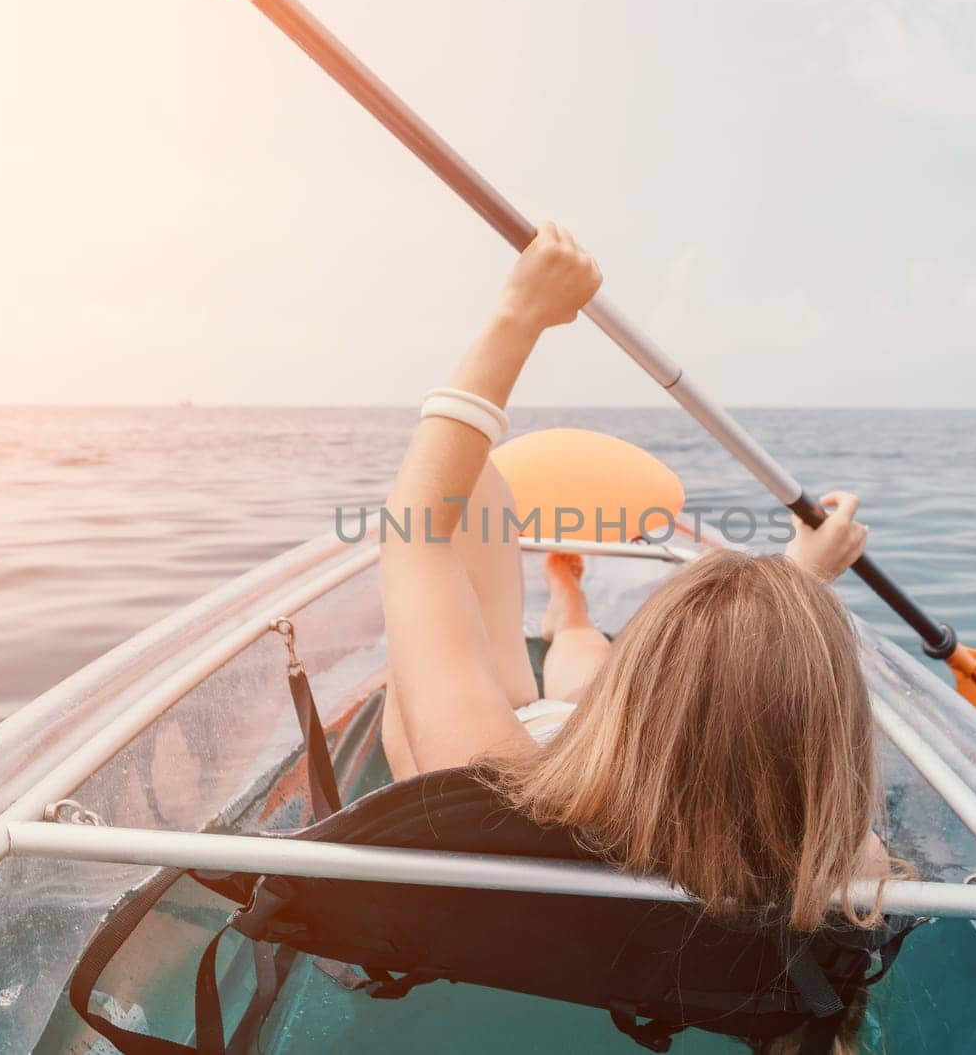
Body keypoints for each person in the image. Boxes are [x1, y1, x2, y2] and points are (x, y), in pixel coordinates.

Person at [379, 223, 892, 1049]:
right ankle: (565, 592)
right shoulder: (844, 869)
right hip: (609, 779)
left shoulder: (490, 790)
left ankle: (562, 589)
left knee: (567, 659)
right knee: (580, 667)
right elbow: (772, 706)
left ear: (642, 698)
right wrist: (798, 579)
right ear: (829, 745)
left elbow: (416, 531)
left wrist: (521, 314)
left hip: (559, 768)